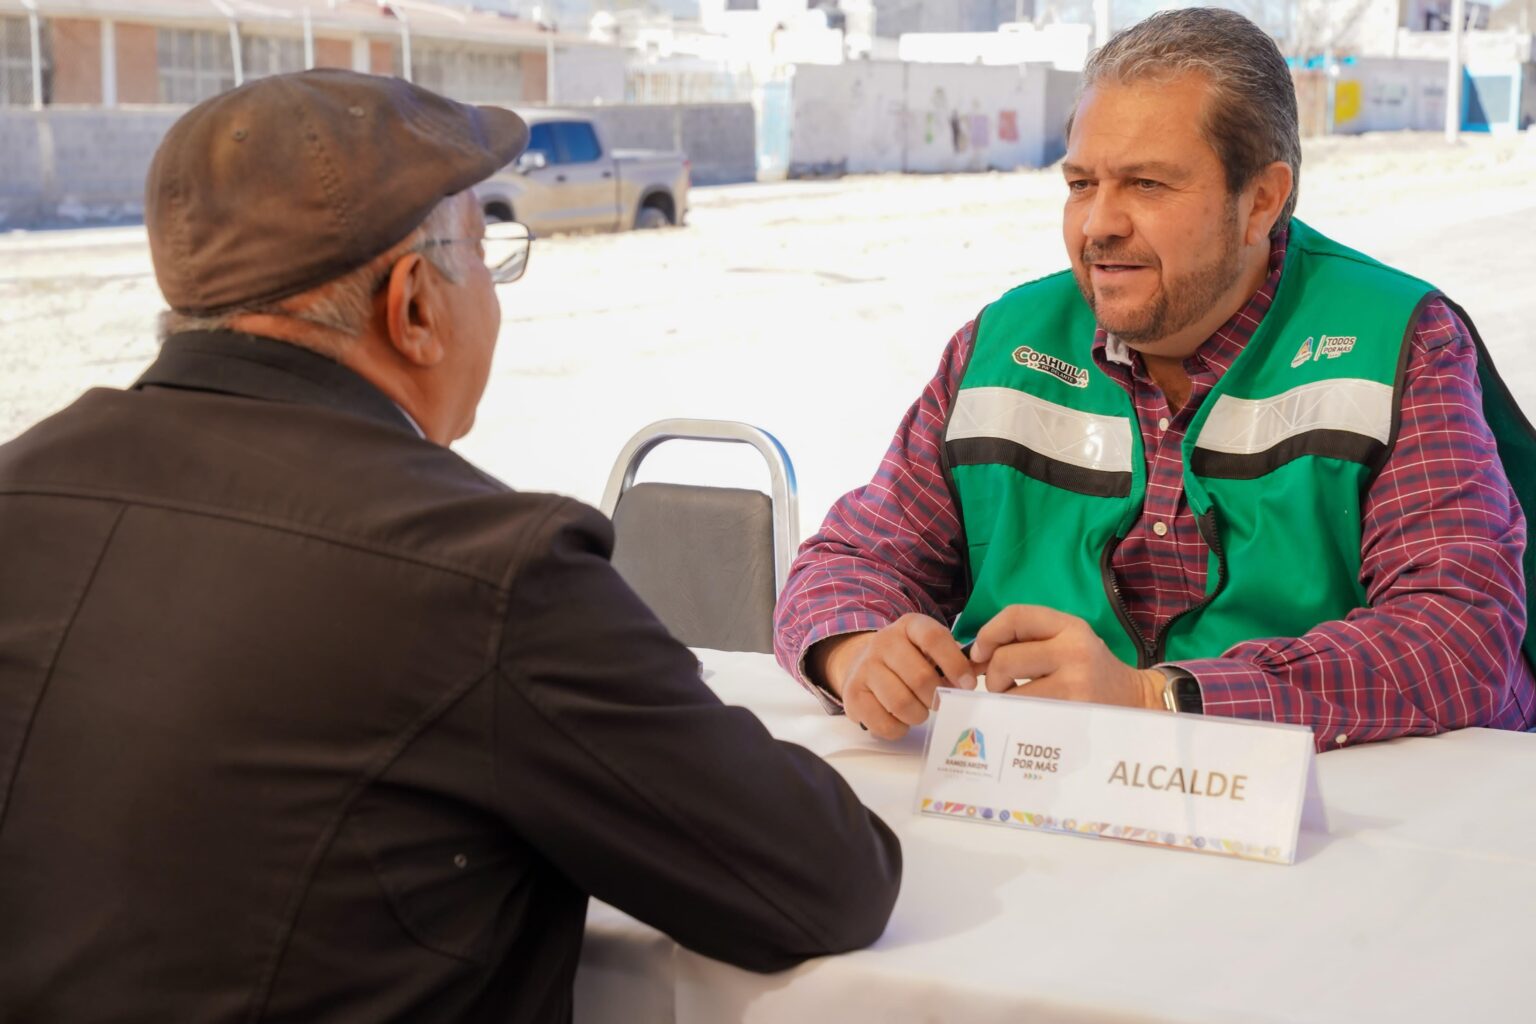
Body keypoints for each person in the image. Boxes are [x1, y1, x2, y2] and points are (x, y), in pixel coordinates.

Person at [0, 70, 900, 1023]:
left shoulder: (21, 487)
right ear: (416, 306)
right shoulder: (486, 575)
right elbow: (820, 880)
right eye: (489, 254)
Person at [774, 8, 1536, 749]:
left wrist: (1158, 700)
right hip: (1029, 810)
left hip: (1326, 831)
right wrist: (856, 652)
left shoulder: (1397, 342)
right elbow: (853, 560)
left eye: (1146, 185)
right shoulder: (1002, 344)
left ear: (1261, 201)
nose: (1098, 224)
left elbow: (1461, 633)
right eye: (1080, 184)